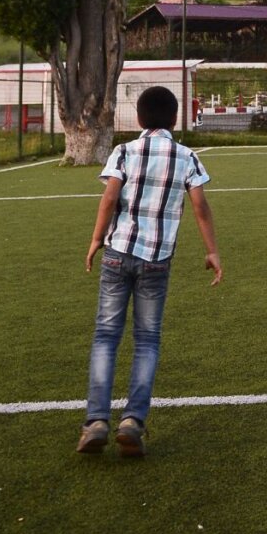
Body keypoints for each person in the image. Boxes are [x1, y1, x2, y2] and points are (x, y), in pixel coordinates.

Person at [77, 85, 222, 458]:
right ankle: (133, 421)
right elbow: (201, 206)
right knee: (147, 340)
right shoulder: (186, 156)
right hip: (157, 259)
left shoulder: (124, 151)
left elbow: (109, 197)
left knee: (106, 336)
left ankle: (96, 421)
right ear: (175, 119)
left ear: (139, 119)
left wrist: (96, 239)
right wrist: (211, 251)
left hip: (118, 252)